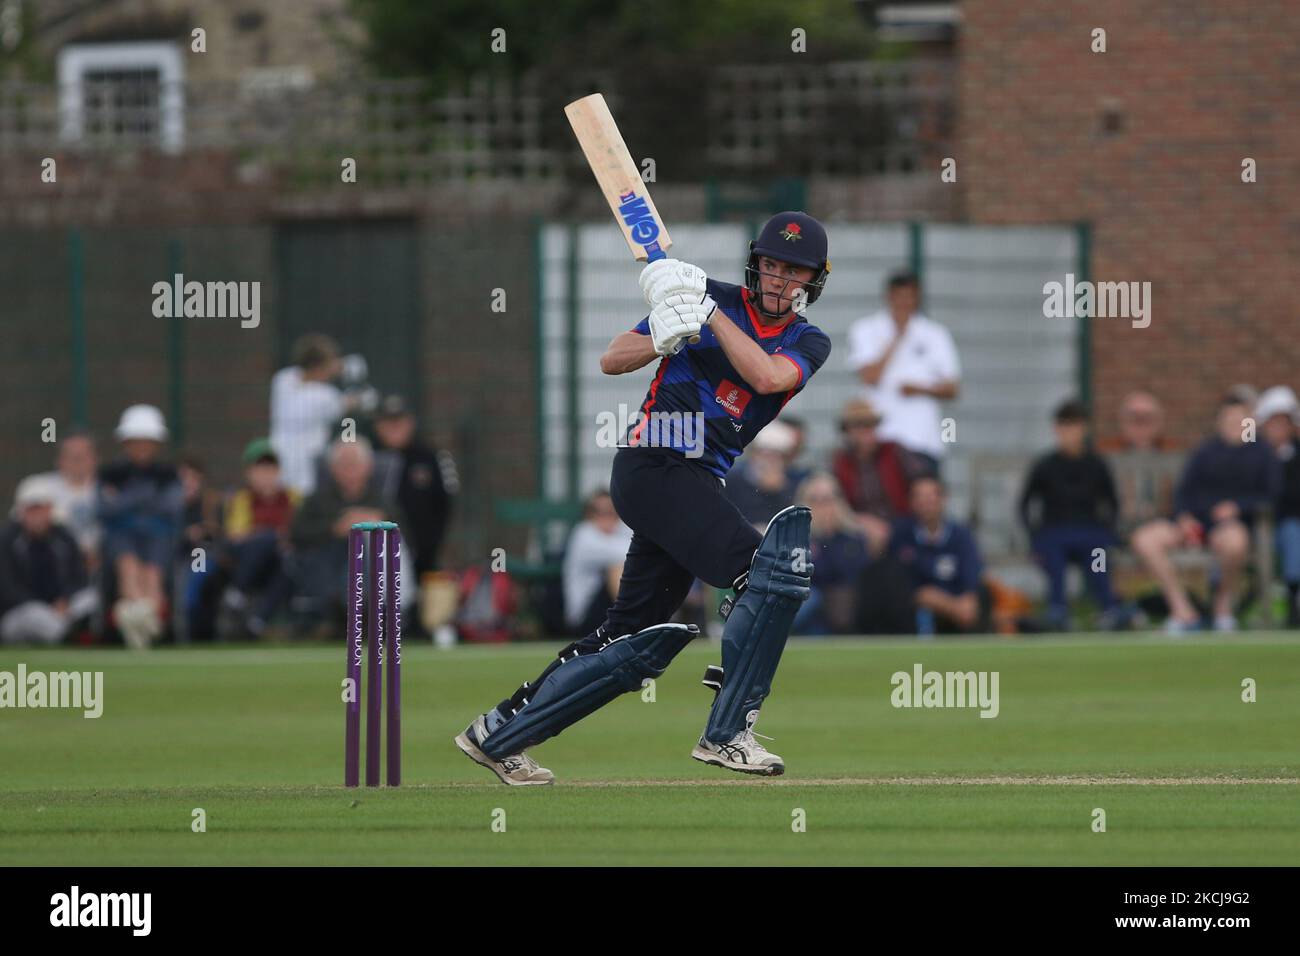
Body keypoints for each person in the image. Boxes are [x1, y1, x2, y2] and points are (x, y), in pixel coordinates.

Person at [454, 212, 833, 785]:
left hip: (696, 483)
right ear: (756, 264)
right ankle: (727, 733)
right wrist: (660, 336)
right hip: (654, 465)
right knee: (771, 573)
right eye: (771, 266)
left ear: (813, 282)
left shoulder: (806, 338)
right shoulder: (705, 293)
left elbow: (767, 378)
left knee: (629, 638)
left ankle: (501, 731)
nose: (778, 281)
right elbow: (612, 358)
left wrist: (706, 319)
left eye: (793, 273)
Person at [1130, 394, 1280, 633]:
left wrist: (1238, 507)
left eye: (1240, 418)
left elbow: (1270, 495)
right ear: (1220, 421)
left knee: (1235, 543)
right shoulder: (1205, 452)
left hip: (1230, 526)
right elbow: (1183, 492)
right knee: (1145, 539)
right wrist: (1183, 518)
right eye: (1228, 418)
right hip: (1195, 523)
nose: (1234, 423)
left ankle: (1222, 607)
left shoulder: (1262, 453)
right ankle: (1182, 610)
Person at [1019, 400, 1125, 630]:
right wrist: (1033, 536)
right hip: (1054, 531)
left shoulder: (1096, 464)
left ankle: (1108, 608)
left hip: (1090, 531)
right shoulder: (1045, 465)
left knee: (1098, 557)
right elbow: (1025, 503)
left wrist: (1108, 530)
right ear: (1056, 430)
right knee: (1053, 556)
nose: (1070, 434)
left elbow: (1112, 501)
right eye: (1065, 427)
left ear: (1084, 429)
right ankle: (1057, 610)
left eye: (1074, 427)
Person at [846, 271, 960, 473]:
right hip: (879, 440)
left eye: (910, 297)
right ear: (888, 297)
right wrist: (897, 338)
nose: (904, 303)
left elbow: (953, 389)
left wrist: (921, 389)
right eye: (899, 297)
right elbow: (870, 377)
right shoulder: (865, 329)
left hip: (923, 440)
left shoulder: (935, 333)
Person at [97, 405, 184, 649]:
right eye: (137, 441)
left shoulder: (167, 474)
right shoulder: (111, 473)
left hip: (159, 536)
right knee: (128, 570)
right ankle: (147, 622)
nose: (142, 447)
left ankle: (134, 618)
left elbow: (173, 508)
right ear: (126, 442)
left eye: (147, 441)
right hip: (121, 536)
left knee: (152, 576)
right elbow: (104, 510)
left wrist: (125, 500)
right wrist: (143, 498)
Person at [289, 438, 395, 625]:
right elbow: (297, 533)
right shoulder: (317, 500)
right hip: (326, 564)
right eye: (343, 464)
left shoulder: (383, 502)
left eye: (354, 464)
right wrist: (336, 528)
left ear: (368, 466)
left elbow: (406, 536)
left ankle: (367, 610)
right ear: (333, 468)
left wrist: (377, 524)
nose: (349, 470)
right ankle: (344, 611)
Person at [863, 477, 984, 635]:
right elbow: (901, 580)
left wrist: (966, 600)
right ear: (911, 501)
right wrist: (938, 601)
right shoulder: (901, 533)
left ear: (943, 499)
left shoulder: (961, 535)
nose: (925, 503)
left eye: (930, 497)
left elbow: (971, 574)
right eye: (918, 497)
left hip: (957, 607)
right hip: (913, 611)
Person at [270, 334, 376, 496]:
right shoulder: (324, 397)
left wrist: (338, 366)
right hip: (304, 472)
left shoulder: (282, 379)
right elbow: (352, 402)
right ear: (317, 366)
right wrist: (365, 397)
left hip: (276, 461)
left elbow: (310, 374)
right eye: (330, 362)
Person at [0, 477, 97, 644]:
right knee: (37, 615)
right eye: (32, 510)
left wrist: (65, 600)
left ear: (50, 510)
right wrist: (46, 607)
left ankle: (76, 633)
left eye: (42, 509)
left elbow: (80, 578)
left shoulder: (64, 536)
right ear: (21, 511)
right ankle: (72, 637)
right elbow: (7, 588)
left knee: (91, 599)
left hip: (62, 608)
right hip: (21, 612)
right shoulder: (7, 540)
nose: (37, 516)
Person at [221, 438, 300, 637]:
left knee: (288, 564)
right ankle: (237, 593)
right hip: (248, 560)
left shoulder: (293, 497)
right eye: (260, 469)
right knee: (268, 539)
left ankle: (256, 620)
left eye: (270, 468)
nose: (266, 475)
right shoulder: (241, 499)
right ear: (248, 473)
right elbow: (236, 536)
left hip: (281, 559)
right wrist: (271, 537)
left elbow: (299, 533)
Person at [372, 395, 456, 576]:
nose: (394, 428)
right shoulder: (368, 459)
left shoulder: (431, 458)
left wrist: (428, 549)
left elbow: (444, 505)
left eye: (399, 422)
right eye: (387, 422)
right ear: (378, 426)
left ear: (410, 423)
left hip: (421, 556)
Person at [830, 397, 927, 555]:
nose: (864, 431)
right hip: (859, 527)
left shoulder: (894, 451)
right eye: (858, 426)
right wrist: (859, 520)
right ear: (847, 432)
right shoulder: (839, 462)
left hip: (904, 522)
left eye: (869, 425)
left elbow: (922, 481)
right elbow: (836, 500)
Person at [790, 473, 870, 635]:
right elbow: (798, 574)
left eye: (828, 499)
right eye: (815, 500)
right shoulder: (795, 538)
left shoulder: (854, 537)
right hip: (810, 605)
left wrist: (827, 538)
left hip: (843, 606)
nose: (822, 506)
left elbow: (851, 573)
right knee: (810, 597)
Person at [562, 490, 633, 637]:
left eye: (611, 511)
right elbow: (631, 553)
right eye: (600, 512)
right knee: (617, 569)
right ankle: (634, 626)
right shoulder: (584, 534)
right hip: (585, 616)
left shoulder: (621, 531)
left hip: (607, 610)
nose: (607, 517)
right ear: (589, 514)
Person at [1257, 386, 1300, 626]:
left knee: (1294, 533)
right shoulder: (1255, 453)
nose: (1278, 428)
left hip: (1287, 522)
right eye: (1273, 422)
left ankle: (1293, 602)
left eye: (1284, 422)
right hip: (1256, 524)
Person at [33, 430, 101, 569]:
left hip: (103, 564)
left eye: (83, 455)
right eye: (71, 456)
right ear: (59, 460)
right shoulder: (39, 487)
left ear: (95, 459)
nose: (77, 460)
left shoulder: (109, 490)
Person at [723, 420, 799, 528]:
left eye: (776, 456)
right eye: (765, 454)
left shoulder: (791, 485)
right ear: (753, 454)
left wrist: (776, 492)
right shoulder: (732, 480)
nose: (769, 461)